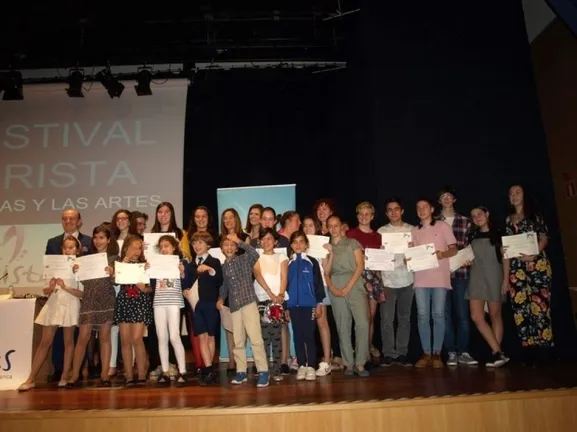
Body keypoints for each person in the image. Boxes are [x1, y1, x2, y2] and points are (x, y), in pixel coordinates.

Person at [18, 237, 84, 391]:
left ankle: (65, 376)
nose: (68, 250)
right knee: (45, 341)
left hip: (71, 303)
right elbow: (46, 290)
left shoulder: (80, 267)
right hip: (54, 302)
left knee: (68, 341)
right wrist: (51, 286)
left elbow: (82, 293)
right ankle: (31, 378)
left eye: (71, 247)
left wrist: (65, 287)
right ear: (62, 249)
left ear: (77, 250)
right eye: (65, 247)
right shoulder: (54, 265)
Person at [504, 184, 553, 365]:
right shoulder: (508, 220)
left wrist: (534, 253)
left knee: (540, 307)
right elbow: (507, 249)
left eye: (518, 192)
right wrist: (505, 277)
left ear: (525, 195)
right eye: (511, 193)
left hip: (537, 266)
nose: (514, 195)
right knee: (520, 310)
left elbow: (544, 237)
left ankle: (544, 350)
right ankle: (528, 350)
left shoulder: (535, 215)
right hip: (516, 270)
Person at [44, 209, 92, 382]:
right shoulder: (53, 242)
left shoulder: (89, 241)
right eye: (65, 218)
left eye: (72, 218)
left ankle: (75, 370)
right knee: (57, 337)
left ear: (79, 221)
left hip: (78, 295)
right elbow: (48, 267)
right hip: (58, 296)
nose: (68, 221)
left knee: (77, 337)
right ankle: (59, 368)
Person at [217, 233, 270, 388]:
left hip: (248, 303)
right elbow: (225, 286)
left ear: (236, 248)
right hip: (234, 306)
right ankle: (241, 371)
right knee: (238, 341)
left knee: (255, 338)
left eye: (232, 245)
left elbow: (254, 254)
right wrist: (221, 298)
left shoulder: (244, 259)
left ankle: (263, 371)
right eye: (226, 245)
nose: (229, 247)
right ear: (221, 248)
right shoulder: (224, 267)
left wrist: (239, 241)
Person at [411, 198, 457, 369]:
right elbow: (411, 253)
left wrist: (442, 254)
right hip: (420, 279)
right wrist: (409, 258)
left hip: (439, 278)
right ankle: (426, 352)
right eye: (418, 207)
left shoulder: (443, 226)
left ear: (431, 209)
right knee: (422, 316)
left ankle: (437, 353)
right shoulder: (414, 230)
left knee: (438, 315)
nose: (421, 209)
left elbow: (454, 248)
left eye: (425, 206)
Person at [324, 215, 370, 377]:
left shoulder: (352, 243)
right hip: (335, 284)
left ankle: (360, 362)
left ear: (342, 226)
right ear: (327, 228)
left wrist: (349, 286)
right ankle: (348, 363)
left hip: (354, 283)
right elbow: (325, 272)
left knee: (362, 323)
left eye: (336, 225)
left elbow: (360, 265)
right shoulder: (325, 247)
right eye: (330, 226)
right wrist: (332, 288)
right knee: (343, 326)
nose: (333, 228)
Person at [437, 186, 477, 366]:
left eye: (449, 196)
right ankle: (451, 352)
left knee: (462, 314)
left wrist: (470, 258)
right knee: (444, 315)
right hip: (440, 275)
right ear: (439, 201)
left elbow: (471, 245)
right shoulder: (434, 222)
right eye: (443, 196)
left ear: (454, 199)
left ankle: (464, 351)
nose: (446, 199)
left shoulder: (465, 221)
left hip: (461, 273)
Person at [467, 206, 509, 367]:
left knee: (495, 315)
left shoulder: (500, 234)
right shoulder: (471, 236)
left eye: (479, 213)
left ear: (487, 214)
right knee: (476, 317)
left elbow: (506, 258)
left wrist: (505, 280)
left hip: (494, 277)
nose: (477, 217)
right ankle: (498, 352)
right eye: (473, 216)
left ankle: (496, 354)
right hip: (476, 278)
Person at [377, 198, 414, 367]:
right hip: (387, 280)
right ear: (386, 213)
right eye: (390, 210)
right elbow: (376, 258)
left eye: (396, 209)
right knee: (386, 319)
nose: (393, 212)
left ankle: (402, 352)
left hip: (407, 279)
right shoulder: (381, 231)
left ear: (402, 211)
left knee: (404, 318)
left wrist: (413, 254)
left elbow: (419, 254)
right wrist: (380, 253)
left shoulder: (412, 230)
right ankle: (388, 353)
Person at [151, 235, 191, 387]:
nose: (164, 249)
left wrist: (182, 272)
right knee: (162, 337)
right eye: (161, 246)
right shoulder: (156, 263)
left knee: (174, 336)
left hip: (174, 301)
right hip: (159, 302)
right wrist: (147, 270)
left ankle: (183, 371)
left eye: (166, 246)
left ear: (174, 247)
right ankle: (165, 371)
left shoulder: (181, 262)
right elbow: (152, 283)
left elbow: (186, 283)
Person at [287, 231, 325, 381]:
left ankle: (312, 366)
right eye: (295, 242)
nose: (298, 245)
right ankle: (302, 365)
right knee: (298, 335)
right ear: (291, 245)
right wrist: (286, 306)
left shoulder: (312, 262)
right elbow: (285, 285)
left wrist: (319, 303)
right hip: (293, 306)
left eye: (301, 242)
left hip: (309, 305)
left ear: (306, 245)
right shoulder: (288, 263)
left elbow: (318, 284)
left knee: (309, 335)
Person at [187, 231, 223, 385]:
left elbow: (219, 280)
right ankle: (208, 369)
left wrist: (210, 269)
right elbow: (186, 282)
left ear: (208, 245)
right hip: (196, 304)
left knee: (210, 336)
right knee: (201, 336)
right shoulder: (190, 265)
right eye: (194, 243)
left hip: (210, 303)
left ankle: (210, 367)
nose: (196, 246)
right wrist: (185, 288)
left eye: (200, 243)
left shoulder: (214, 261)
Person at [253, 228, 289, 382]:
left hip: (278, 301)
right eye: (263, 239)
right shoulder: (256, 257)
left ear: (275, 242)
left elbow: (284, 276)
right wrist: (270, 294)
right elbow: (257, 275)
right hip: (262, 300)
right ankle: (264, 368)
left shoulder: (282, 257)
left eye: (269, 238)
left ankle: (277, 369)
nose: (266, 241)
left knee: (276, 336)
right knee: (264, 337)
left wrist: (280, 294)